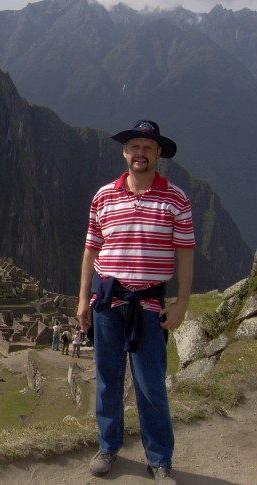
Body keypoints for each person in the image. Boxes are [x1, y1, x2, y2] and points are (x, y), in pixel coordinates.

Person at [77, 120, 195, 485]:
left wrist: (181, 304)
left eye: (148, 147)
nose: (140, 153)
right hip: (107, 302)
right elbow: (91, 249)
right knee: (107, 381)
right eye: (134, 147)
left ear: (158, 154)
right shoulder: (103, 196)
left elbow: (185, 254)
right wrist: (82, 299)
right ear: (124, 152)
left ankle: (160, 459)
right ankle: (108, 446)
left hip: (148, 305)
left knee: (150, 385)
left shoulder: (176, 199)